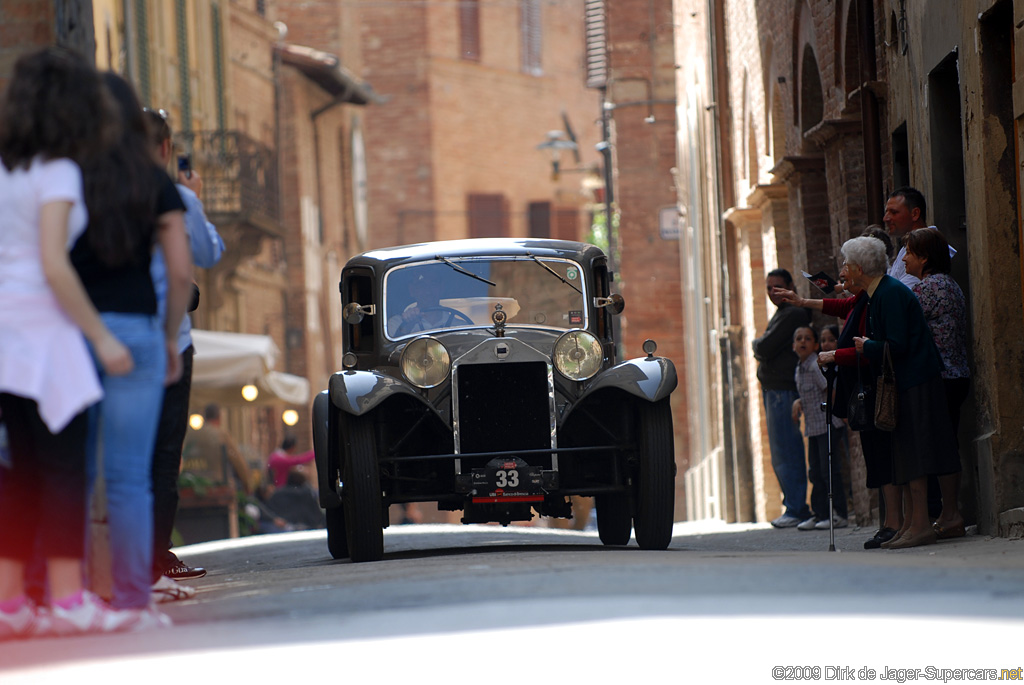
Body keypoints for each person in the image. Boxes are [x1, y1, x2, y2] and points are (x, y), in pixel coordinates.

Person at [0, 47, 148, 638]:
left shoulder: (5, 168)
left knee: (21, 472)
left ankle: (11, 605)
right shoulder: (58, 170)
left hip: (7, 334)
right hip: (48, 332)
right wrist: (101, 337)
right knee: (64, 472)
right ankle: (66, 600)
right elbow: (56, 264)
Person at [73, 72, 192, 628]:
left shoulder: (65, 178)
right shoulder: (153, 181)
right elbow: (180, 269)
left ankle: (68, 598)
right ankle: (130, 600)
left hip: (75, 335)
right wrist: (169, 338)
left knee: (71, 470)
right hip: (140, 336)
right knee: (128, 477)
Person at [144, 107, 225, 586]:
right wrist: (194, 201)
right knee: (163, 452)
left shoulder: (97, 193)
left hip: (110, 335)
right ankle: (153, 560)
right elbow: (206, 254)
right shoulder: (173, 196)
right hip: (165, 336)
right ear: (165, 150)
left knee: (127, 454)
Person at [847, 236, 960, 549]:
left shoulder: (890, 294)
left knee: (917, 450)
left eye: (846, 264)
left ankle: (921, 523)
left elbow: (898, 345)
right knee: (907, 450)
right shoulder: (878, 293)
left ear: (857, 268)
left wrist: (866, 346)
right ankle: (912, 522)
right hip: (907, 380)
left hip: (917, 379)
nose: (843, 271)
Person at [903, 228, 970, 540]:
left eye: (910, 253)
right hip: (956, 374)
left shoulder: (929, 288)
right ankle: (948, 512)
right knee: (947, 441)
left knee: (941, 445)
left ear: (924, 258)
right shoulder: (950, 285)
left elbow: (902, 320)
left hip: (941, 377)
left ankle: (950, 513)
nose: (905, 258)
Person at [752, 268, 813, 528]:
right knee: (781, 451)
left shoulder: (793, 314)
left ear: (790, 286)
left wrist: (757, 343)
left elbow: (764, 347)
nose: (772, 292)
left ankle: (797, 507)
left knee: (786, 449)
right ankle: (794, 505)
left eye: (777, 287)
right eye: (768, 288)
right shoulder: (783, 313)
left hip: (783, 390)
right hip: (775, 390)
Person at [791, 326, 848, 531]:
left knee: (829, 471)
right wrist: (799, 402)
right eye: (799, 338)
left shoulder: (815, 366)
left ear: (815, 345)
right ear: (793, 345)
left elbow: (829, 390)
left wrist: (841, 413)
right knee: (815, 472)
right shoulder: (800, 368)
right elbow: (810, 394)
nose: (803, 341)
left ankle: (840, 514)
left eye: (808, 338)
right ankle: (821, 514)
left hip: (828, 424)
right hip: (813, 428)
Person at [181, 404, 252, 497]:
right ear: (219, 417)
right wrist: (248, 485)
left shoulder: (189, 434)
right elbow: (238, 462)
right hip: (216, 490)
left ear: (204, 417)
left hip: (188, 490)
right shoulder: (221, 435)